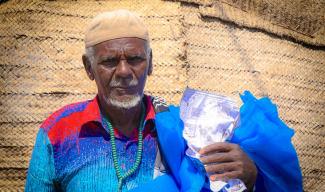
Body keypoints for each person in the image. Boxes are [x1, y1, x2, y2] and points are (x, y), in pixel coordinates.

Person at [25, 10, 302, 192]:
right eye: (109, 61)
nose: (124, 72)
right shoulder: (58, 132)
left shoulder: (184, 130)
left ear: (151, 63)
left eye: (135, 59)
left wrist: (252, 177)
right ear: (89, 68)